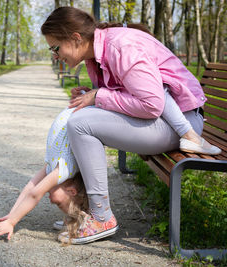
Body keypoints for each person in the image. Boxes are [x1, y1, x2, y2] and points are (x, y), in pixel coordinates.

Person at [41, 6, 220, 244]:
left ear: (75, 38)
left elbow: (152, 103)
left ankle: (102, 218)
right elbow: (127, 90)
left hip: (180, 122)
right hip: (161, 120)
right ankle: (85, 212)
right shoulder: (96, 55)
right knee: (80, 118)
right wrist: (92, 93)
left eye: (55, 47)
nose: (55, 55)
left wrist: (98, 97)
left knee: (81, 123)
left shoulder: (119, 46)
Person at [0, 107, 89, 241]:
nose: (51, 200)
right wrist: (11, 221)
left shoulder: (55, 169)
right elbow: (34, 193)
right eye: (59, 203)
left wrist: (12, 215)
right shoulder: (64, 169)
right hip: (80, 112)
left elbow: (30, 187)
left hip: (76, 111)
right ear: (71, 191)